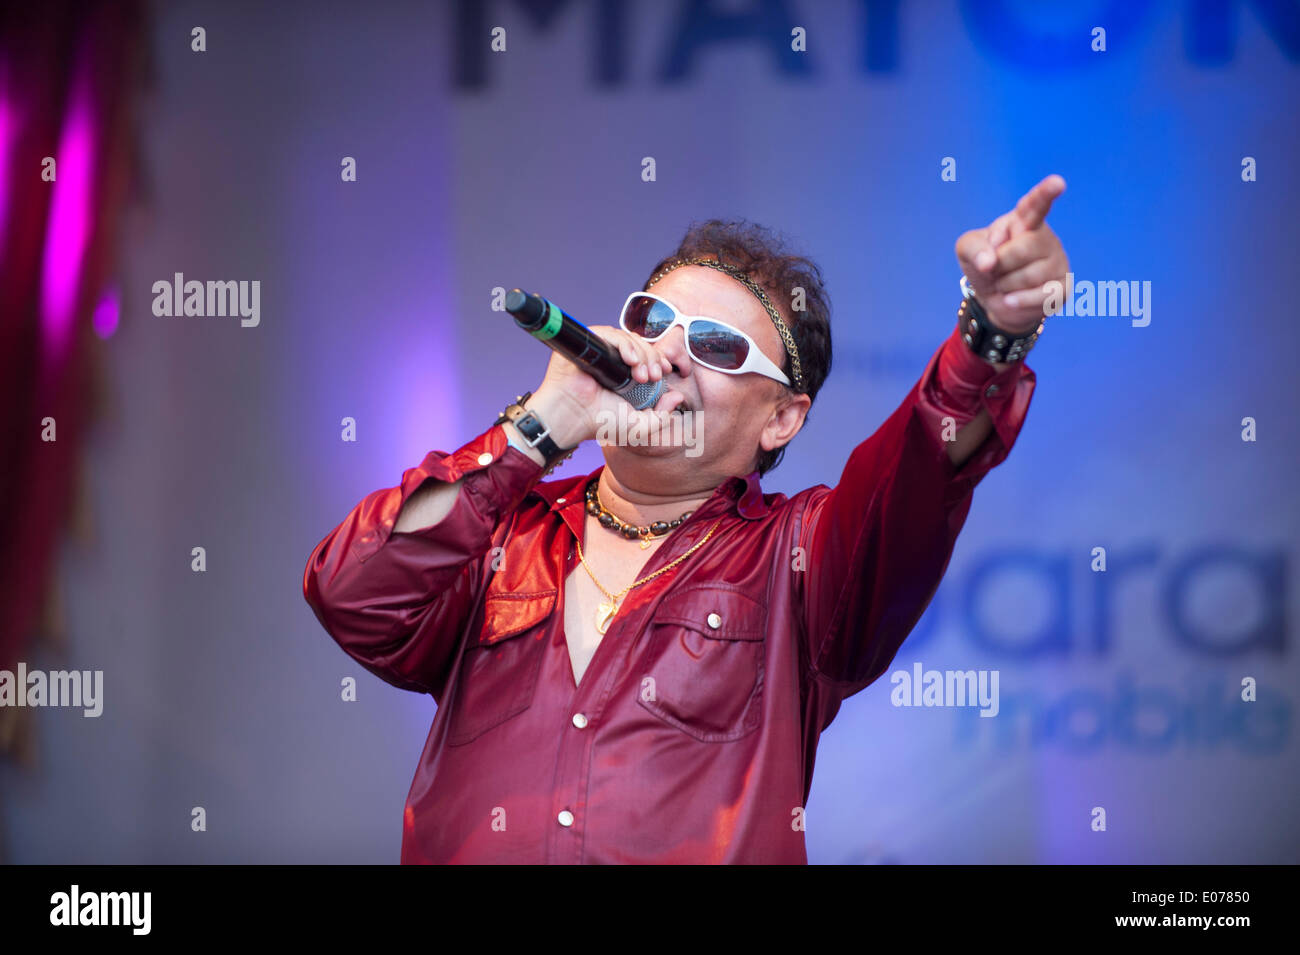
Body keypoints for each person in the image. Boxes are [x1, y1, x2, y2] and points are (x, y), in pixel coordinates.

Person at [303, 176, 1069, 863]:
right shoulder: (503, 530)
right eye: (653, 319)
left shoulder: (796, 558)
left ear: (782, 419)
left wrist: (989, 340)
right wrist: (544, 423)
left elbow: (918, 473)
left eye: (714, 344)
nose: (668, 351)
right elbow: (352, 594)